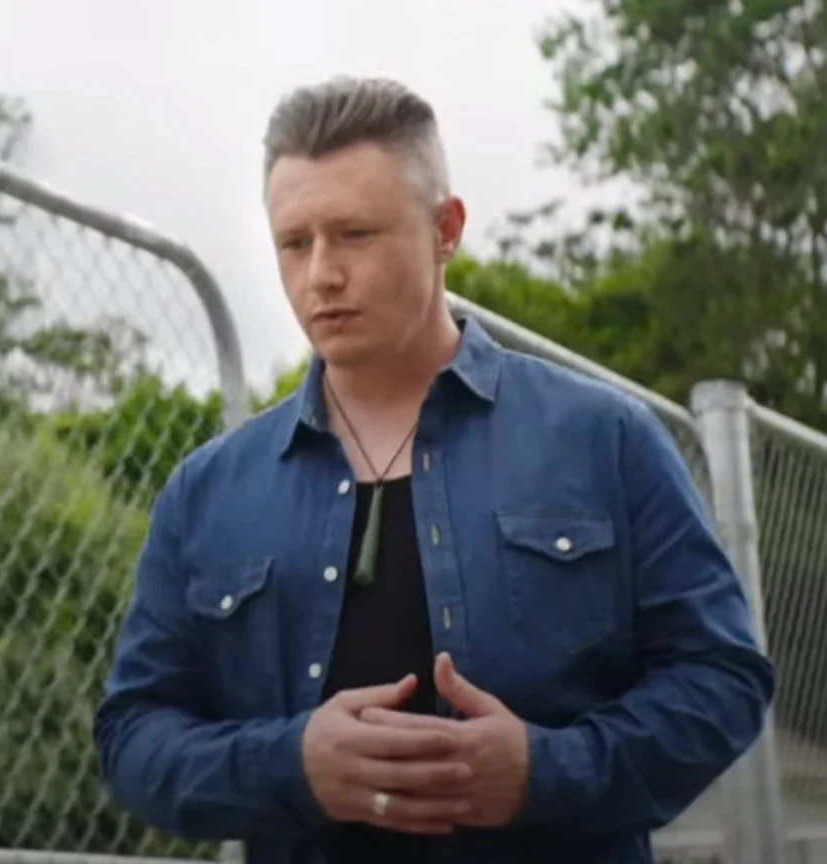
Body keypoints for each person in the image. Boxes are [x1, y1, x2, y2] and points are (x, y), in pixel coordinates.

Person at [92, 76, 776, 864]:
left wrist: (548, 771)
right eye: (295, 243)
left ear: (445, 229)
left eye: (355, 234)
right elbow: (134, 734)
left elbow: (722, 678)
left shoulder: (605, 439)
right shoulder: (207, 492)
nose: (321, 274)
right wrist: (292, 767)